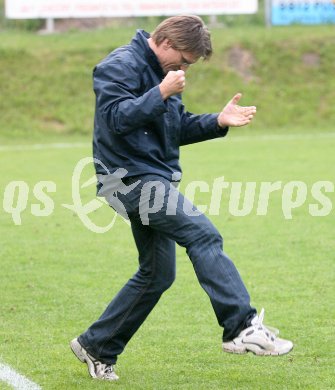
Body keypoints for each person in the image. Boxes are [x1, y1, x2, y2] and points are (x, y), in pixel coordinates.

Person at [70, 15, 293, 381]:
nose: (185, 67)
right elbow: (114, 119)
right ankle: (241, 327)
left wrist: (217, 121)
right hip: (127, 181)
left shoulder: (166, 74)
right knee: (202, 234)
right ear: (168, 43)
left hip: (152, 178)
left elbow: (174, 128)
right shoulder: (119, 65)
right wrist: (160, 92)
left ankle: (97, 344)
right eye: (185, 59)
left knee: (157, 274)